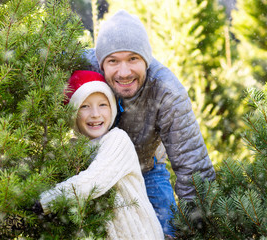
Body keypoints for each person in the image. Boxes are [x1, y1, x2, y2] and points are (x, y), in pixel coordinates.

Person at [83, 10, 216, 237]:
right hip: (91, 171)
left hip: (147, 169)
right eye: (113, 61)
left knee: (165, 230)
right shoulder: (84, 69)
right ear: (100, 63)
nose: (124, 72)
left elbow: (192, 165)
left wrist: (199, 226)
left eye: (133, 59)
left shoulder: (166, 90)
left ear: (146, 60)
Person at [39, 70, 164, 240]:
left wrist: (44, 201)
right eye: (84, 106)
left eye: (103, 105)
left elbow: (93, 181)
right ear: (73, 114)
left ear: (112, 108)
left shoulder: (117, 140)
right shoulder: (72, 150)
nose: (95, 114)